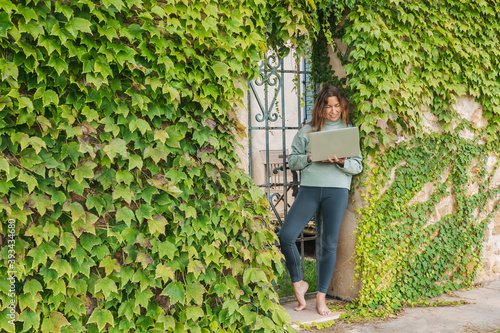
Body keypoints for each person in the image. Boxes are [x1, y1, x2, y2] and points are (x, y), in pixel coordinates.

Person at [278, 85, 362, 316]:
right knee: (286, 235)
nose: (332, 111)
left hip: (337, 190)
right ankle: (299, 281)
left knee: (329, 244)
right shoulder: (308, 130)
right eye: (328, 106)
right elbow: (292, 160)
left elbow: (357, 165)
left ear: (342, 107)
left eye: (336, 106)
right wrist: (309, 157)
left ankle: (321, 298)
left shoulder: (347, 131)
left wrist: (342, 161)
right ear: (320, 107)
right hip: (310, 189)